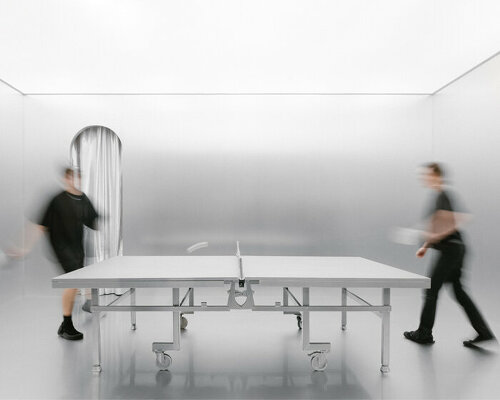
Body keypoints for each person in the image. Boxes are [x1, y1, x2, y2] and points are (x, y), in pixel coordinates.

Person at [404, 163, 495, 347]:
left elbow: (449, 223)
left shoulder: (442, 195)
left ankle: (424, 333)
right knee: (458, 291)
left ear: (437, 176)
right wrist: (426, 245)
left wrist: (433, 237)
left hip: (451, 251)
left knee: (431, 290)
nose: (424, 178)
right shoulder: (441, 196)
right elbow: (439, 223)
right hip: (456, 249)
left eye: (427, 175)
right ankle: (484, 333)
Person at [8, 167, 98, 340]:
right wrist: (25, 247)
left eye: (78, 177)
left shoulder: (83, 198)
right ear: (66, 179)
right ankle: (66, 325)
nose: (75, 181)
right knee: (72, 282)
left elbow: (92, 221)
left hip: (77, 247)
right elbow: (40, 225)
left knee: (82, 274)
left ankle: (87, 302)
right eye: (72, 177)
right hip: (61, 247)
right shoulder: (57, 200)